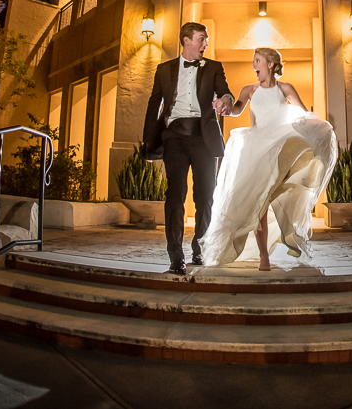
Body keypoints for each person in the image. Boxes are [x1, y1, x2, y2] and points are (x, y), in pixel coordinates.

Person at [199, 47, 338, 270]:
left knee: (270, 197)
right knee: (259, 203)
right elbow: (236, 110)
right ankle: (264, 255)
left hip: (279, 148)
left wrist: (317, 128)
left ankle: (282, 231)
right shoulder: (249, 90)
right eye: (253, 61)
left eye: (257, 61)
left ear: (270, 65)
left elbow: (303, 114)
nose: (253, 65)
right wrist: (225, 107)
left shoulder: (285, 89)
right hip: (256, 150)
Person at [141, 21, 234, 275]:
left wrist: (226, 101)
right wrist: (149, 143)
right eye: (201, 38)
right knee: (175, 194)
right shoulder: (164, 70)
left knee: (205, 197)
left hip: (203, 137)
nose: (206, 43)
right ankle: (176, 257)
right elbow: (153, 106)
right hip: (174, 138)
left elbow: (226, 93)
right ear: (186, 40)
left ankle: (199, 247)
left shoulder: (214, 67)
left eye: (206, 39)